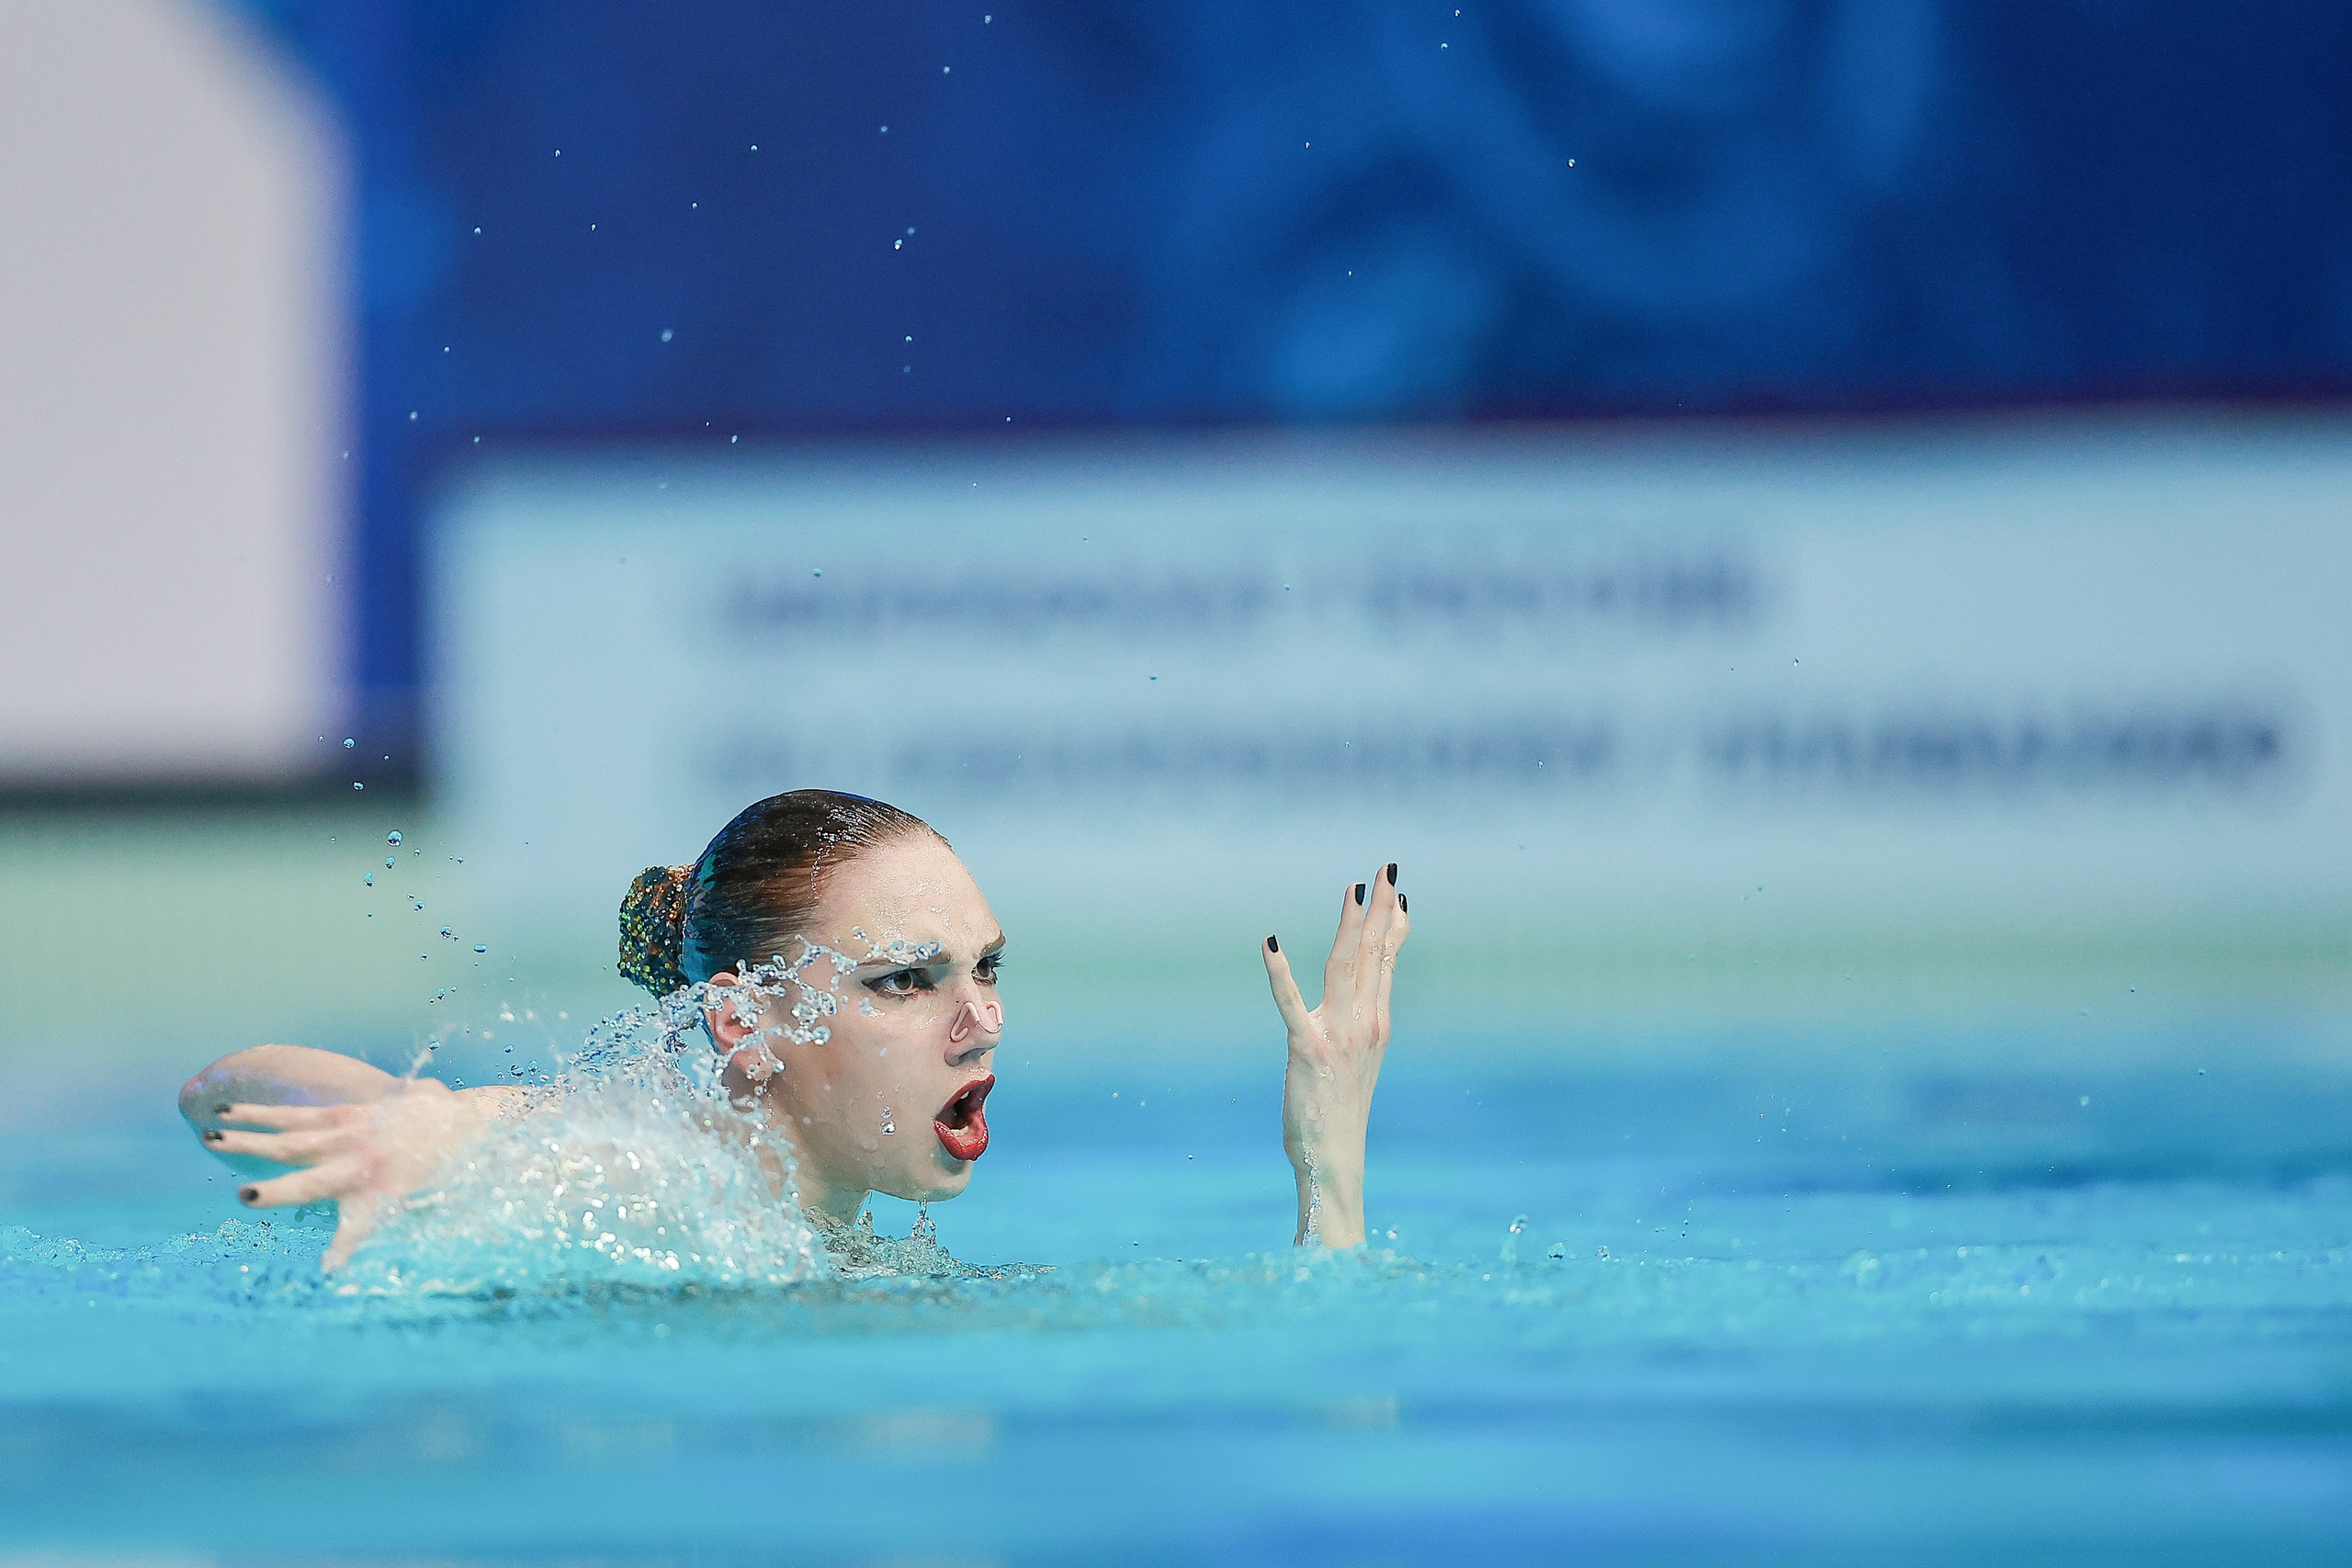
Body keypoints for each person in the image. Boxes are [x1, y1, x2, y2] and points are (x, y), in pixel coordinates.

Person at [181, 789, 1408, 1273]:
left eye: (986, 967)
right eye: (903, 982)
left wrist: (1328, 1162)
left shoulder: (861, 1263)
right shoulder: (646, 1189)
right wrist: (430, 1131)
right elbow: (216, 1088)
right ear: (745, 1026)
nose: (980, 1020)